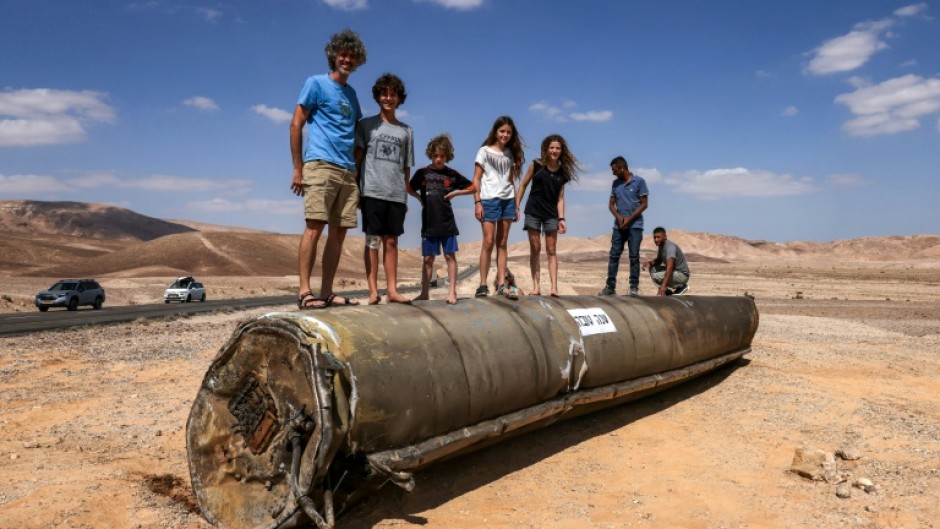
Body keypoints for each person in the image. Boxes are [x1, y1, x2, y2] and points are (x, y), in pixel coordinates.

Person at [290, 29, 366, 309]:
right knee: (315, 226)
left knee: (339, 232)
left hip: (347, 171)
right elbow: (296, 123)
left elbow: (357, 134)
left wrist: (356, 169)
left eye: (352, 56)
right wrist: (298, 168)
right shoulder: (316, 83)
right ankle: (304, 292)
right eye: (343, 54)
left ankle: (326, 291)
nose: (347, 59)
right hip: (320, 164)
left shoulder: (352, 95)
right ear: (334, 56)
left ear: (357, 62)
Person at [354, 73, 416, 305]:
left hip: (395, 193)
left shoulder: (406, 131)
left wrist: (405, 194)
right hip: (371, 191)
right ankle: (372, 291)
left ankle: (392, 290)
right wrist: (357, 189)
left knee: (392, 241)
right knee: (373, 241)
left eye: (392, 94)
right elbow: (357, 160)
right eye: (384, 93)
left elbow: (406, 165)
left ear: (399, 98)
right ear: (378, 96)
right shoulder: (366, 125)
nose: (388, 98)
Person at [410, 134, 476, 305]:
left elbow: (473, 187)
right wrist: (419, 198)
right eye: (435, 156)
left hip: (447, 222)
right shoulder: (422, 173)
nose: (438, 159)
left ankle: (452, 292)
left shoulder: (452, 175)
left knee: (450, 256)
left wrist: (456, 192)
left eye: (442, 156)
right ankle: (424, 293)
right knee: (427, 259)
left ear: (447, 156)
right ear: (431, 155)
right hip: (429, 223)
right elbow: (408, 188)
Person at [515, 134, 580, 297]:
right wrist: (515, 205)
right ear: (546, 149)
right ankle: (536, 287)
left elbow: (560, 197)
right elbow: (523, 185)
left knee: (551, 250)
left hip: (551, 214)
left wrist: (562, 218)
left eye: (557, 148)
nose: (554, 151)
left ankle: (554, 288)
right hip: (533, 211)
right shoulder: (536, 165)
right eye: (552, 147)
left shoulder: (563, 173)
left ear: (561, 150)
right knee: (535, 249)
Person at [473, 116, 525, 300]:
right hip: (489, 200)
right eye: (502, 131)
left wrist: (516, 206)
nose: (505, 135)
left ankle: (502, 285)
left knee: (502, 244)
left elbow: (511, 180)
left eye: (509, 132)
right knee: (488, 242)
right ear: (496, 131)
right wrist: (477, 202)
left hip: (508, 201)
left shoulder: (510, 154)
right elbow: (476, 179)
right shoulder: (484, 151)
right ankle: (482, 285)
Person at [598, 156, 648, 297]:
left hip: (635, 226)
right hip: (618, 226)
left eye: (614, 170)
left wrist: (630, 219)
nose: (613, 173)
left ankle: (633, 287)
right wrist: (619, 218)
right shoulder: (615, 184)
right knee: (614, 255)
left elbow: (644, 203)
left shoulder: (639, 182)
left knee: (634, 256)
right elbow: (611, 205)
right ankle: (610, 287)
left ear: (622, 168)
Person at [643, 227, 690, 296]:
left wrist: (663, 287)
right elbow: (659, 260)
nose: (656, 240)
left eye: (658, 237)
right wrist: (649, 263)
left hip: (682, 275)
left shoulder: (670, 248)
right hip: (675, 272)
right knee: (652, 269)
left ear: (665, 237)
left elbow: (669, 268)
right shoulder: (661, 246)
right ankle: (667, 292)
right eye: (654, 237)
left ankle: (680, 287)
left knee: (655, 275)